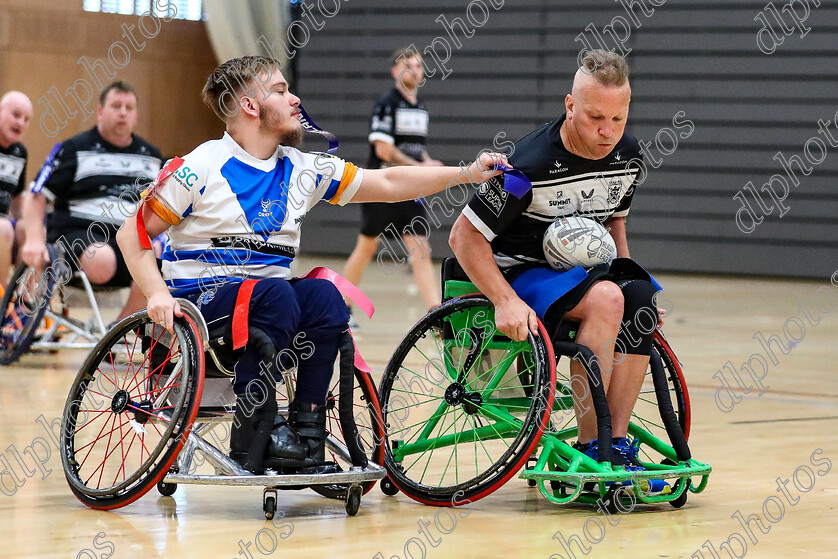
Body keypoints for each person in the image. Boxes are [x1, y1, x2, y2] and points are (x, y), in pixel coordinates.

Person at [115, 55, 505, 474]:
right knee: (276, 294)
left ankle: (306, 432)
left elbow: (388, 183)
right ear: (250, 106)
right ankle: (253, 431)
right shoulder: (200, 166)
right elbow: (129, 234)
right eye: (281, 91)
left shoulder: (303, 168)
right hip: (204, 307)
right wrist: (156, 293)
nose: (295, 98)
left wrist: (466, 174)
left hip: (267, 305)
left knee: (324, 298)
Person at [450, 49, 660, 469]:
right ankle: (588, 448)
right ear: (570, 105)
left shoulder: (629, 158)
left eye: (618, 119)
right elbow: (463, 236)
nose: (607, 131)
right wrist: (504, 300)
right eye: (595, 117)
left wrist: (630, 281)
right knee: (607, 301)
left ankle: (614, 444)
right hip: (517, 272)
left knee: (640, 300)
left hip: (578, 274)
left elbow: (614, 224)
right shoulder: (527, 165)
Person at [20, 81, 163, 321]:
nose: (122, 112)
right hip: (79, 233)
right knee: (102, 258)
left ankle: (120, 328)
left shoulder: (151, 156)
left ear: (136, 115)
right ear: (100, 112)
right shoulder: (73, 149)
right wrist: (34, 240)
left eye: (129, 107)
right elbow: (37, 193)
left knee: (159, 254)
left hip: (129, 236)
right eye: (116, 105)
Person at [342, 47, 443, 324]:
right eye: (408, 65)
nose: (415, 69)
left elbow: (415, 149)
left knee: (421, 248)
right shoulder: (387, 103)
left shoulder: (420, 107)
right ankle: (342, 306)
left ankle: (435, 314)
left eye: (419, 65)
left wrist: (428, 163)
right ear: (395, 71)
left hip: (409, 191)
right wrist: (419, 168)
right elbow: (385, 150)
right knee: (366, 248)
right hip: (382, 187)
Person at [0, 91, 33, 294]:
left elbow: (17, 197)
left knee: (29, 230)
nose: (20, 122)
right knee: (3, 229)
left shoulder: (20, 153)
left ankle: (22, 301)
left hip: (4, 221)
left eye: (26, 119)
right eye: (16, 115)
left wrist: (27, 223)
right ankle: (2, 300)